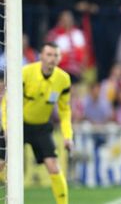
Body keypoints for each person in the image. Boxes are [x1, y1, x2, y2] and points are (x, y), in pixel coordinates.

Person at [0, 43, 73, 204]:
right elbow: (7, 101)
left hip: (41, 127)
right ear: (41, 56)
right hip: (17, 125)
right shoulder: (26, 73)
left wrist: (68, 136)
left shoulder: (63, 79)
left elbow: (64, 110)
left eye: (55, 55)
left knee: (54, 166)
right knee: (1, 164)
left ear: (60, 58)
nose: (52, 59)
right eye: (48, 54)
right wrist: (6, 126)